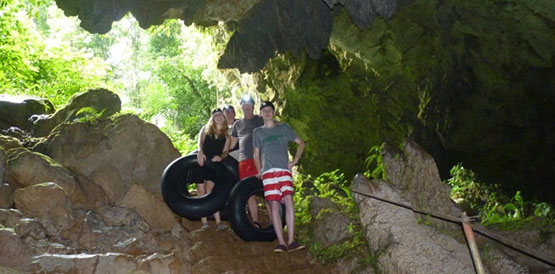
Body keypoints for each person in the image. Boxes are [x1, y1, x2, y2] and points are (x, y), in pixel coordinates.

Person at [253, 101, 305, 253]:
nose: (267, 113)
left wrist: (295, 160)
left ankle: (292, 240)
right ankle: (281, 242)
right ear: (261, 114)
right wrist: (259, 170)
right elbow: (256, 154)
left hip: (283, 170)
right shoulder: (257, 132)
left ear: (273, 112)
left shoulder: (284, 128)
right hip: (268, 172)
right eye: (264, 110)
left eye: (269, 110)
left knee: (289, 200)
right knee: (274, 205)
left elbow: (301, 143)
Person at [230, 95, 264, 228]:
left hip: (260, 160)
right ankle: (255, 221)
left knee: (265, 189)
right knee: (249, 193)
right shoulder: (237, 125)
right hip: (244, 162)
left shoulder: (260, 120)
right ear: (241, 107)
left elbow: (273, 125)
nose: (247, 107)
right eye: (244, 104)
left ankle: (275, 221)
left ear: (253, 106)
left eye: (249, 104)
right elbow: (232, 143)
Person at [194, 108, 231, 231]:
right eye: (216, 116)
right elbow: (200, 144)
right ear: (212, 118)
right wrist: (200, 152)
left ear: (223, 117)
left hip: (214, 165)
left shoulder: (226, 136)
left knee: (211, 192)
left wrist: (220, 157)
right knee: (201, 191)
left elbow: (226, 151)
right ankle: (204, 223)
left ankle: (218, 222)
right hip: (202, 163)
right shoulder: (205, 129)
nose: (218, 117)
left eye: (220, 115)